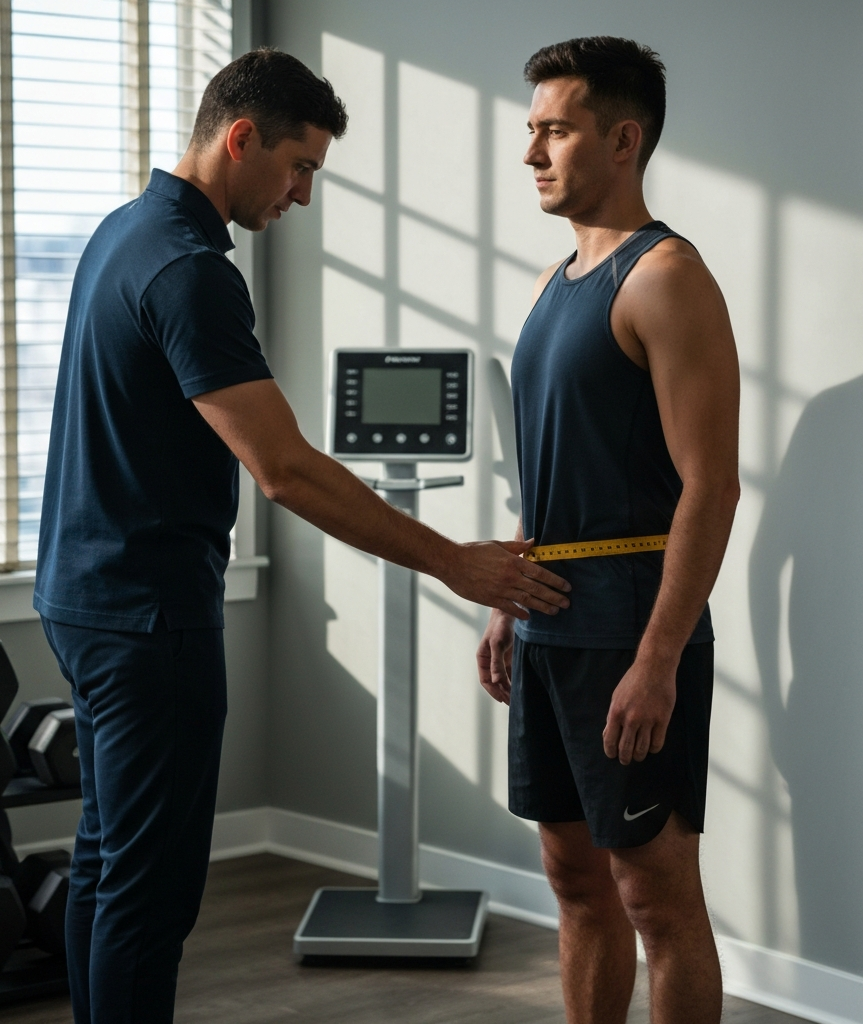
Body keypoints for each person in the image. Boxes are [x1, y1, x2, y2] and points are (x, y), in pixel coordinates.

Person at [34, 48, 570, 1024]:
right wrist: (455, 561)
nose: (304, 196)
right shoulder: (190, 271)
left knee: (108, 862)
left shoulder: (124, 232)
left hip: (82, 597)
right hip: (150, 619)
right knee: (149, 897)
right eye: (301, 167)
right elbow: (282, 468)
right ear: (243, 138)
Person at [476, 37, 740, 1024]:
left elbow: (709, 488)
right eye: (531, 129)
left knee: (654, 897)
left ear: (622, 139)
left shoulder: (665, 277)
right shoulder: (555, 283)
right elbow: (553, 465)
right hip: (547, 627)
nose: (532, 151)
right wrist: (510, 591)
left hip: (627, 633)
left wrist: (658, 659)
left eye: (554, 129)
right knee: (575, 885)